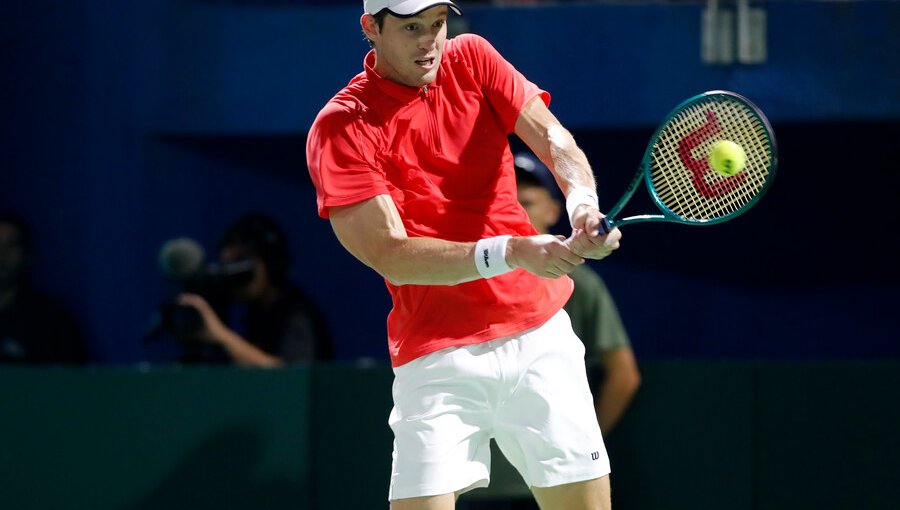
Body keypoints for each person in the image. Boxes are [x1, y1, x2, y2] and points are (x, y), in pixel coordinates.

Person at [305, 1, 622, 509]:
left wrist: (583, 204)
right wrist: (512, 251)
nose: (430, 41)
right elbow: (391, 253)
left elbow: (552, 136)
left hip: (540, 337)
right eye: (412, 28)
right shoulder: (341, 126)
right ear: (371, 28)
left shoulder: (472, 57)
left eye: (437, 24)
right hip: (436, 355)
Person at [176, 212, 333, 367]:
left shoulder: (296, 314)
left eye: (242, 261)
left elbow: (292, 377)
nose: (235, 273)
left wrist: (221, 335)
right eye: (228, 264)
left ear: (271, 264)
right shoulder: (254, 313)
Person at [0, 212, 88, 364]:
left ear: (27, 255)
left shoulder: (51, 319)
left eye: (11, 245)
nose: (2, 255)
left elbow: (74, 379)